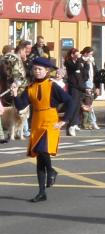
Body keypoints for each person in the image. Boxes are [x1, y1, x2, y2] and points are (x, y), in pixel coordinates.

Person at [11, 57, 74, 202]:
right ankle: (41, 192)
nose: (37, 71)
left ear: (47, 71)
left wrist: (64, 120)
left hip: (50, 121)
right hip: (37, 122)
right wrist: (15, 94)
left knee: (42, 149)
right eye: (35, 69)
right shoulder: (30, 87)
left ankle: (52, 171)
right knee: (39, 159)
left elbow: (69, 101)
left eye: (40, 69)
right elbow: (21, 106)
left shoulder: (52, 86)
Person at [64, 48, 87, 136]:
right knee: (73, 106)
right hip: (73, 87)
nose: (78, 56)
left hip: (79, 87)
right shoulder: (68, 62)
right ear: (72, 55)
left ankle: (74, 124)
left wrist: (85, 63)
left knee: (78, 106)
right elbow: (75, 68)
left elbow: (83, 72)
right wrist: (79, 60)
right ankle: (70, 125)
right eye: (76, 54)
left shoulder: (79, 62)